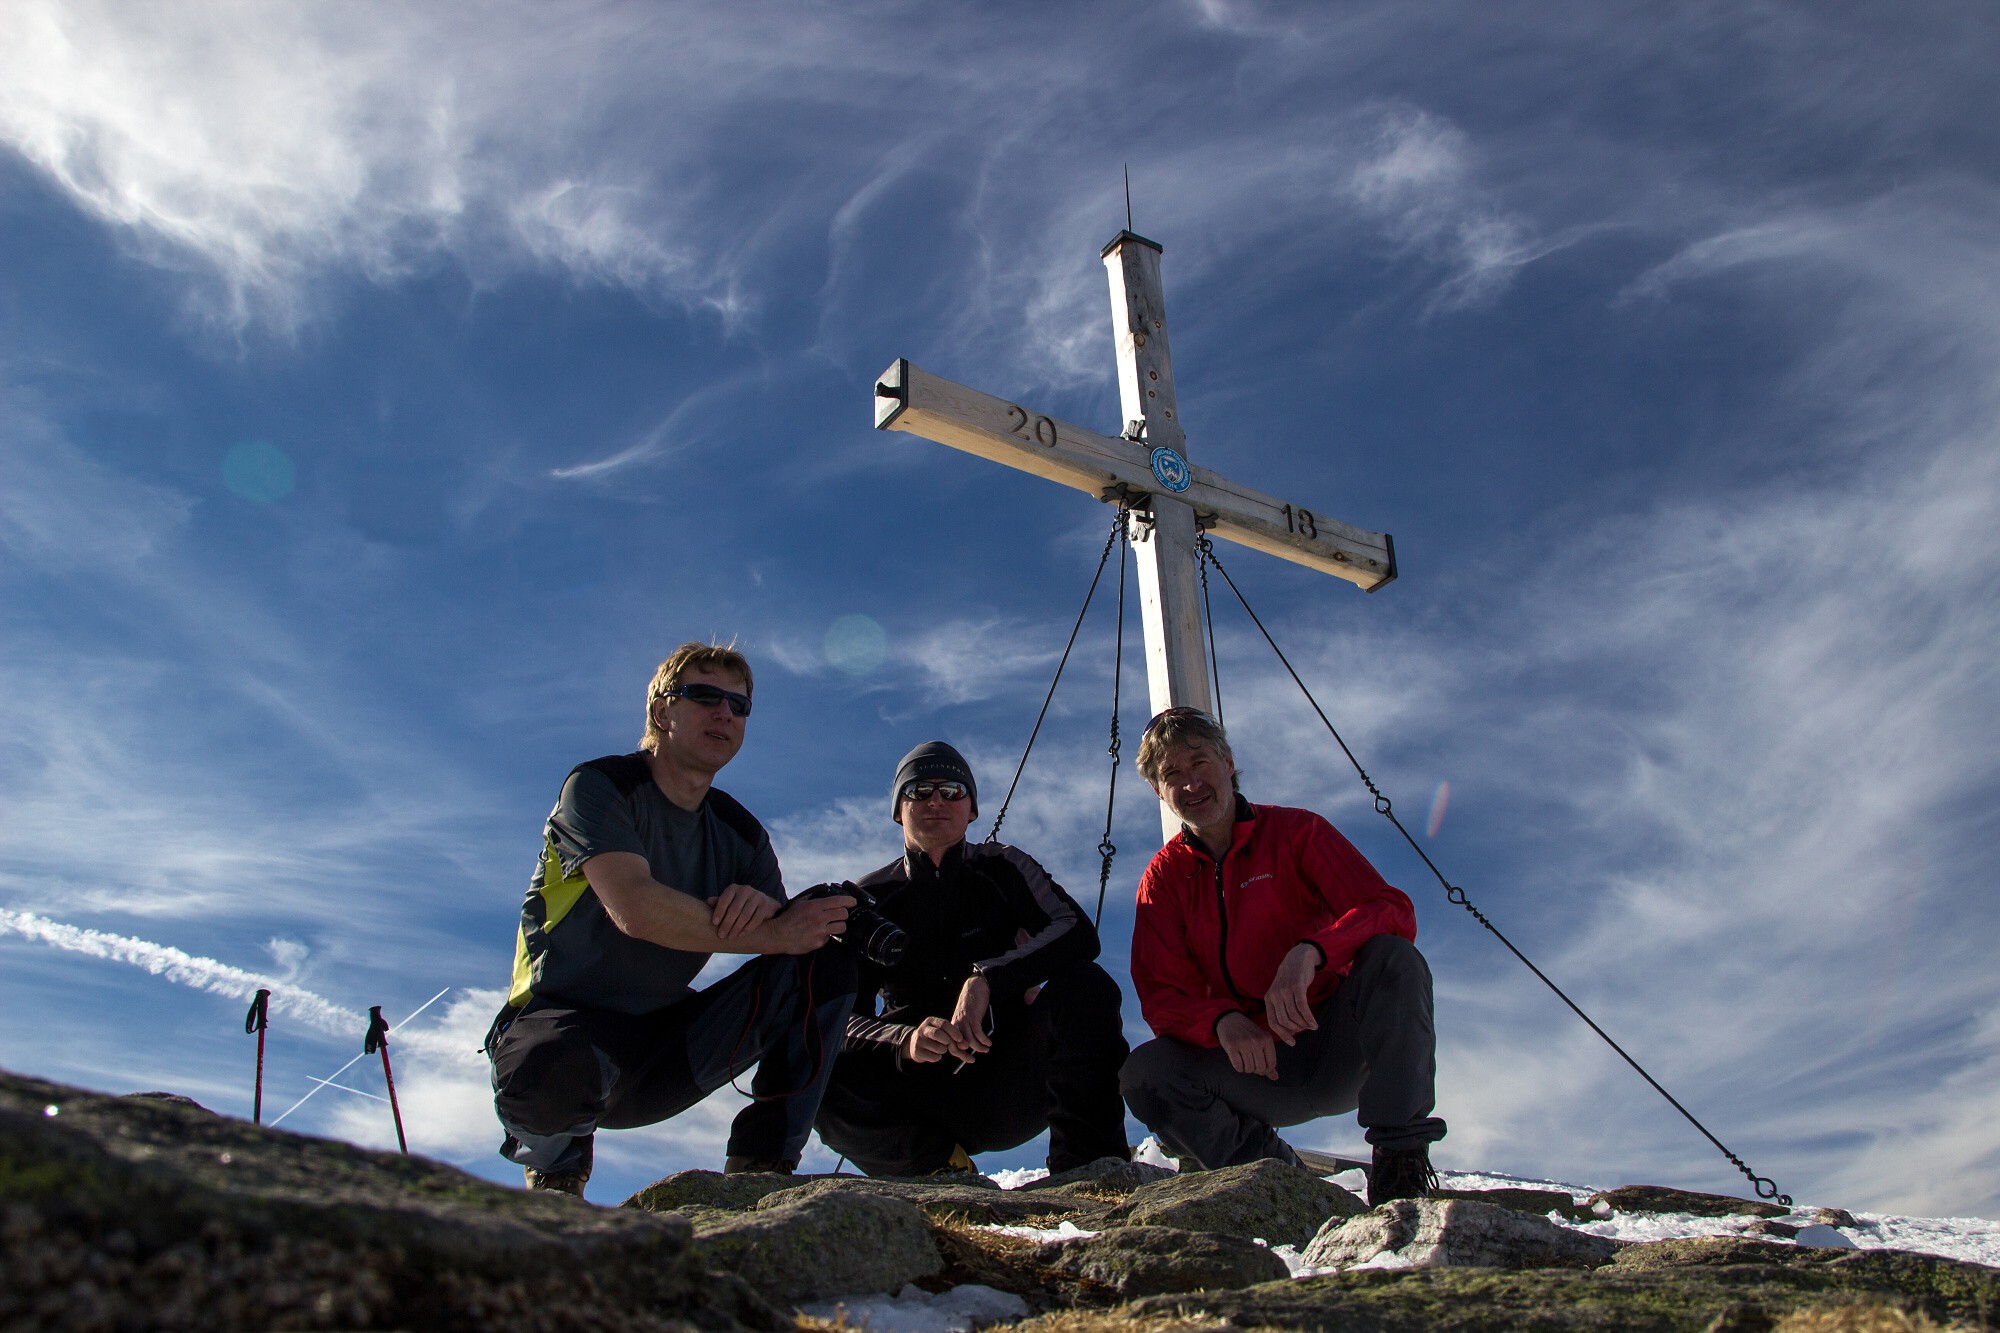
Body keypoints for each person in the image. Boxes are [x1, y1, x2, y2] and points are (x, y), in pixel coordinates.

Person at [485, 642, 858, 1197]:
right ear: (662, 711)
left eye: (739, 706)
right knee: (551, 1062)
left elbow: (791, 940)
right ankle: (557, 1179)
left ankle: (761, 1172)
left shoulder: (742, 833)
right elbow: (635, 908)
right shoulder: (599, 787)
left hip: (664, 1049)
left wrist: (786, 923)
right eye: (705, 696)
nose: (725, 714)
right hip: (562, 1027)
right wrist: (771, 929)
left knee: (825, 953)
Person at [1119, 707, 1445, 1206]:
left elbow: (1389, 909)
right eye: (1171, 775)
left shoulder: (1297, 833)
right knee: (1147, 1072)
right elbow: (1162, 992)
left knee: (1393, 959)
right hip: (1254, 1069)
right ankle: (1274, 1177)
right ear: (1157, 792)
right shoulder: (1163, 879)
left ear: (1228, 763)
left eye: (1199, 762)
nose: (1190, 783)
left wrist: (1312, 951)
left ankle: (1400, 1167)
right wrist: (1223, 1022)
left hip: (1334, 1045)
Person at [813, 741, 1132, 1177]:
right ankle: (937, 1168)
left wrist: (986, 979)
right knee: (815, 1059)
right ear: (897, 809)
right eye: (919, 791)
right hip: (914, 1099)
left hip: (1006, 1081)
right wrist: (903, 1040)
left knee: (1086, 984)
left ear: (973, 809)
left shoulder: (1003, 868)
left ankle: (1090, 1169)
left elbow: (1077, 933)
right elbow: (835, 1017)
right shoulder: (870, 901)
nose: (936, 801)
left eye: (952, 790)